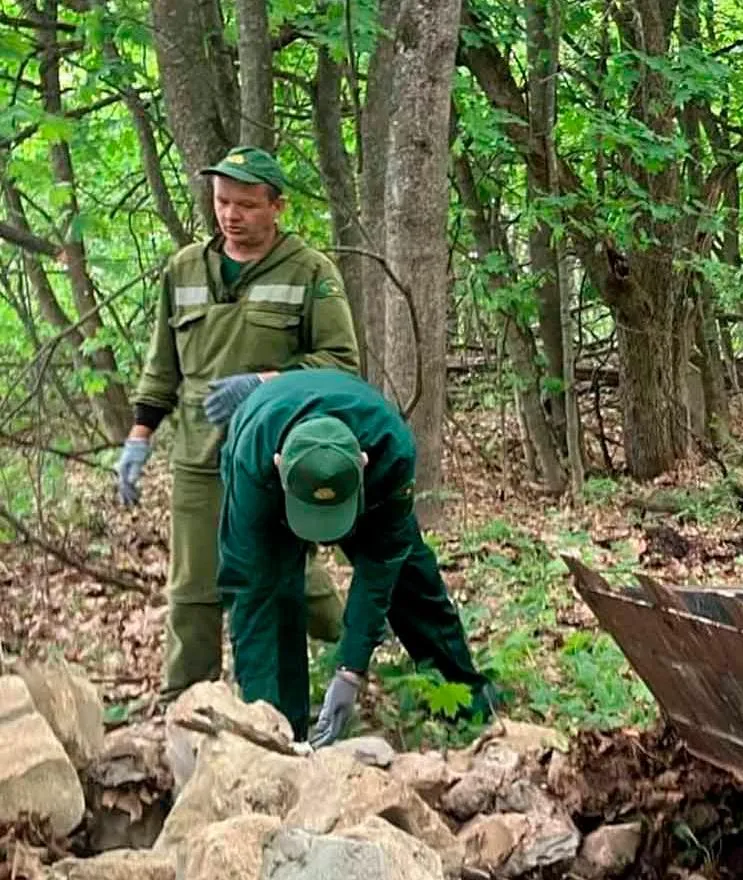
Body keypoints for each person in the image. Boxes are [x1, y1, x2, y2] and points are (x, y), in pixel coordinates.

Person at [113, 145, 360, 701]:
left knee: (286, 579)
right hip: (199, 457)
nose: (231, 215)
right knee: (194, 589)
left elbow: (341, 364)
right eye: (223, 202)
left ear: (277, 207)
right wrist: (138, 438)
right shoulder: (183, 270)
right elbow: (163, 367)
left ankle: (354, 655)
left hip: (273, 457)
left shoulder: (310, 272)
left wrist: (265, 382)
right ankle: (187, 702)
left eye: (246, 204)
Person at [215, 368, 495, 745]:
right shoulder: (253, 461)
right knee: (274, 596)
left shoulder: (391, 449)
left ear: (363, 462)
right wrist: (262, 722)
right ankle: (285, 734)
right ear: (280, 465)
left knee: (413, 584)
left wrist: (350, 670)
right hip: (268, 467)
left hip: (367, 485)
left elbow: (380, 566)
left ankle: (471, 706)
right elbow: (250, 595)